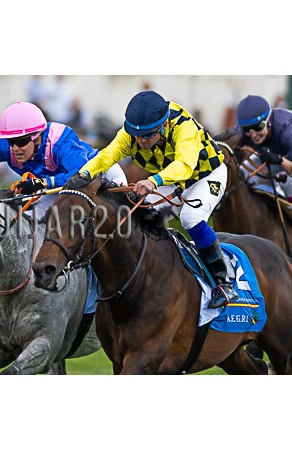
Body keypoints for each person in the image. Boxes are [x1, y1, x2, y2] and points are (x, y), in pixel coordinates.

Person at [72, 90, 238, 309]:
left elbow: (185, 165)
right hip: (173, 179)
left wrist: (154, 181)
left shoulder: (183, 126)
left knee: (190, 218)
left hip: (206, 175)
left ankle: (224, 282)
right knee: (138, 219)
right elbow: (107, 155)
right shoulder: (133, 133)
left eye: (147, 135)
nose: (141, 141)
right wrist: (83, 175)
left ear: (164, 125)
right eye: (136, 135)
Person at [0, 101, 127, 219]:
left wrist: (42, 183)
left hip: (100, 177)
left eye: (21, 141)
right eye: (11, 142)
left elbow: (80, 177)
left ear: (38, 137)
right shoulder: (7, 147)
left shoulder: (62, 144)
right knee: (26, 224)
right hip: (58, 189)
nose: (15, 148)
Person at [235, 95, 292, 201]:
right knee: (242, 173)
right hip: (278, 155)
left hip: (287, 160)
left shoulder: (287, 130)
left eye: (258, 127)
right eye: (247, 129)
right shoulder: (242, 131)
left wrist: (279, 160)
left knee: (288, 183)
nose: (253, 135)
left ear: (269, 120)